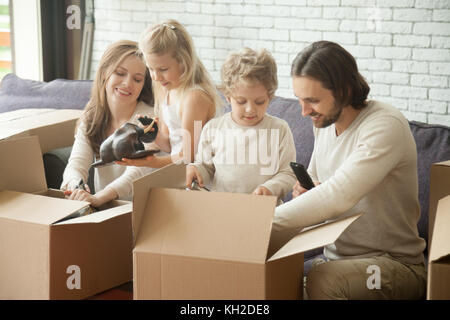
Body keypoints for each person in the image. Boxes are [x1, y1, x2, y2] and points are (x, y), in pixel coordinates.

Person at [269, 41, 427, 300]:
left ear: (344, 90)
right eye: (300, 99)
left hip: (393, 266)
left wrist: (262, 223)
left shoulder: (385, 125)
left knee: (325, 280)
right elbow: (322, 195)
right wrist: (306, 194)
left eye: (313, 100)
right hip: (335, 261)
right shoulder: (322, 123)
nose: (304, 111)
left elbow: (337, 195)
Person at [186, 47, 296, 203]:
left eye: (259, 102)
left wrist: (270, 188)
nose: (250, 109)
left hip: (265, 210)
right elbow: (206, 167)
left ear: (270, 96)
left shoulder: (279, 129)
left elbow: (288, 174)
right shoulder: (213, 128)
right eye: (241, 101)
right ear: (228, 96)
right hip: (223, 208)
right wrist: (196, 169)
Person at [116, 19, 222, 169]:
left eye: (163, 69)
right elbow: (169, 146)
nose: (155, 77)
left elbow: (188, 156)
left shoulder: (194, 98)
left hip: (201, 177)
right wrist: (154, 135)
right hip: (178, 172)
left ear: (184, 62)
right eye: (151, 69)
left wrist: (154, 163)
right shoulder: (168, 91)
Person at [61, 40, 156, 207]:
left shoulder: (149, 120)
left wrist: (99, 197)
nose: (127, 83)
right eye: (120, 73)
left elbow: (138, 172)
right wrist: (76, 187)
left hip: (144, 212)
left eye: (137, 79)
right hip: (106, 212)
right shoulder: (91, 118)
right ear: (105, 72)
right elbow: (76, 165)